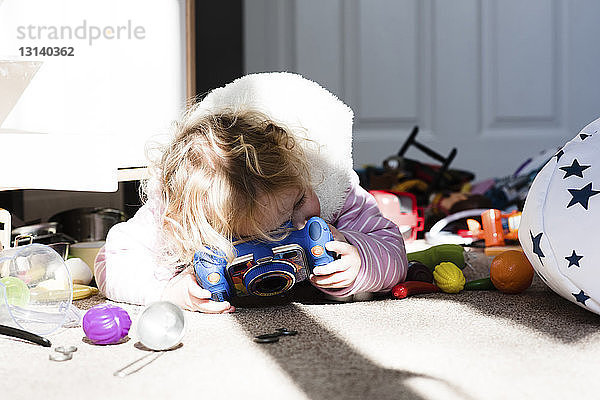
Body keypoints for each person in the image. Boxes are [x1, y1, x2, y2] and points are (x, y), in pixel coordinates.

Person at [95, 72, 407, 313]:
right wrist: (170, 292)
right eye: (275, 231)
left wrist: (360, 262)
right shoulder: (176, 217)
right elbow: (109, 264)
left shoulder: (333, 196)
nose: (301, 223)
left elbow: (393, 249)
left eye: (299, 200)